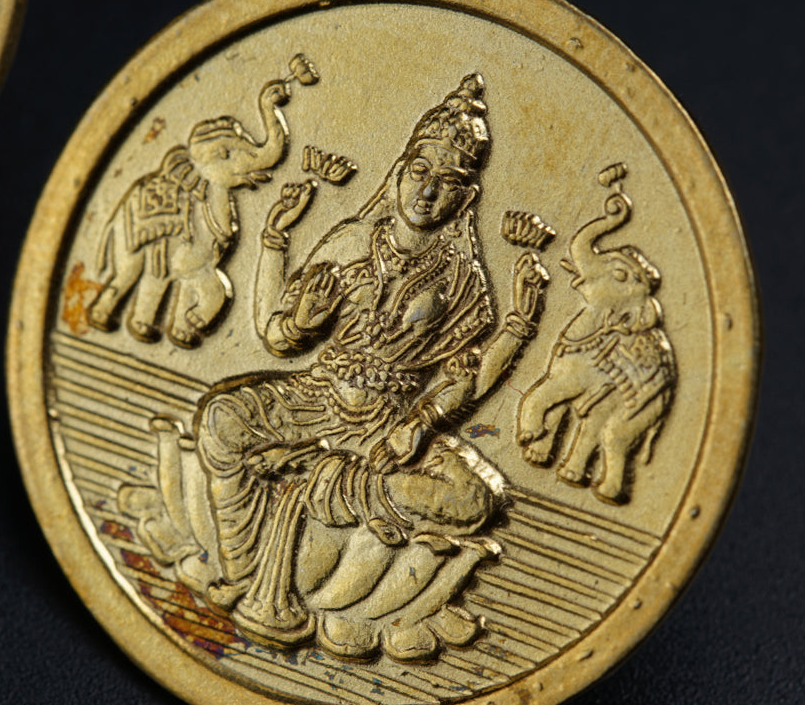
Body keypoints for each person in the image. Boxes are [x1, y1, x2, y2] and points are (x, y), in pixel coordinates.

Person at [193, 74, 548, 662]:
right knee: (222, 419)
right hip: (319, 393)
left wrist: (426, 418)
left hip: (393, 418)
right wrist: (283, 264)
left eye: (448, 183)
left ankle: (332, 484)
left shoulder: (464, 281)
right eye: (419, 172)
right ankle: (241, 563)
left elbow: (469, 374)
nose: (428, 192)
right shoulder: (351, 240)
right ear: (401, 170)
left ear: (464, 199)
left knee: (474, 500)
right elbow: (277, 337)